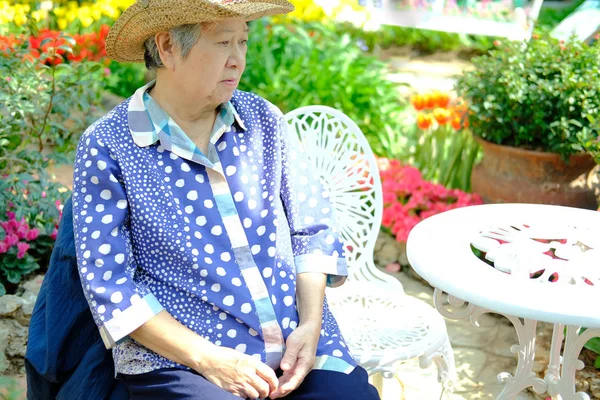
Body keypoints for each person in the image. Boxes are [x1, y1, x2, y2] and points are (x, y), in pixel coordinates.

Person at [42, 0, 381, 398]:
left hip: (296, 340)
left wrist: (310, 326)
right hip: (184, 360)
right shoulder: (109, 145)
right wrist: (210, 360)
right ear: (167, 46)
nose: (237, 59)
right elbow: (111, 286)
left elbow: (313, 229)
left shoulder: (263, 120)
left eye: (243, 41)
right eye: (223, 43)